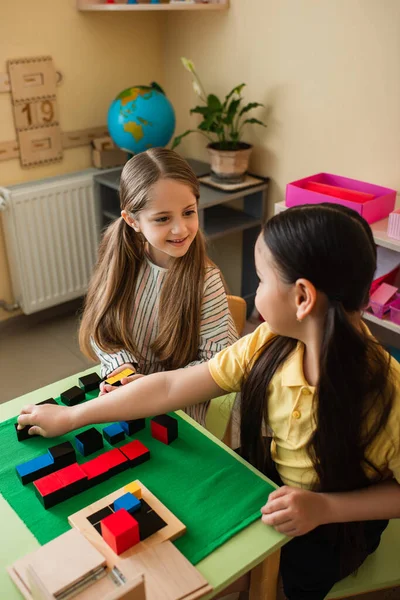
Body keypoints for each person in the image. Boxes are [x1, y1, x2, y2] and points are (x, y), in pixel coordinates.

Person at [18, 204, 400, 599]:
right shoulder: (268, 341)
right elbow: (170, 388)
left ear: (302, 297)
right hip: (266, 484)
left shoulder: (388, 395)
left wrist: (325, 510)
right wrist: (73, 416)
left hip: (334, 528)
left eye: (262, 279)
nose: (256, 291)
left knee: (266, 584)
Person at [78, 148, 238, 426]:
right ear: (132, 221)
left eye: (188, 212)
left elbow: (215, 368)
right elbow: (101, 329)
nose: (181, 229)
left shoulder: (206, 280)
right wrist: (123, 372)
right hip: (130, 395)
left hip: (179, 408)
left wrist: (149, 387)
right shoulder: (119, 260)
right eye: (163, 218)